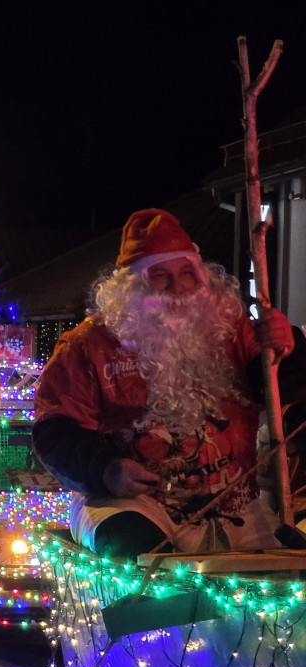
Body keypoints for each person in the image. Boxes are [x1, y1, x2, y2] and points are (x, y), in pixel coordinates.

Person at [33, 208, 306, 559]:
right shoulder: (87, 346)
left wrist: (288, 345)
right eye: (160, 276)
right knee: (129, 544)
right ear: (132, 288)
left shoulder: (230, 328)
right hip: (133, 503)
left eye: (187, 273)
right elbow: (55, 431)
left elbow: (286, 388)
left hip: (233, 504)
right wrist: (105, 470)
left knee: (290, 575)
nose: (178, 288)